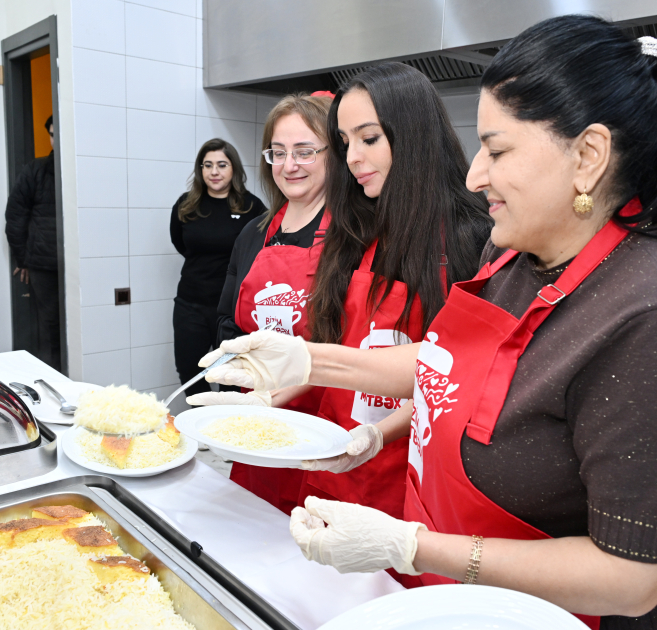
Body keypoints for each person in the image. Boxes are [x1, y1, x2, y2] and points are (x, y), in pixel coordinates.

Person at [200, 16, 657, 629]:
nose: (476, 174)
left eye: (498, 150)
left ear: (588, 157)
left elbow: (631, 579)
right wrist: (310, 362)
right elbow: (441, 365)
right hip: (462, 599)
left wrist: (409, 546)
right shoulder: (515, 257)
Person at [196, 63, 491, 523]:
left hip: (410, 474)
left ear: (412, 132)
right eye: (346, 142)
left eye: (368, 139)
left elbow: (455, 371)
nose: (353, 157)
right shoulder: (358, 232)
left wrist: (379, 435)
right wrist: (266, 402)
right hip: (337, 456)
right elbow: (339, 347)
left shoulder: (471, 237)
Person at [187, 92, 334, 515]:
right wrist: (237, 375)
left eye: (304, 151)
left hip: (322, 424)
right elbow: (228, 317)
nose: (290, 165)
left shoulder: (352, 236)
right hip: (260, 418)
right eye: (278, 152)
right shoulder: (255, 232)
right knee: (256, 521)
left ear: (333, 155)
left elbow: (353, 340)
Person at [170, 139, 265, 398]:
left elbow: (264, 252)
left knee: (231, 377)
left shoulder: (252, 208)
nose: (214, 172)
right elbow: (181, 243)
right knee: (189, 373)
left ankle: (226, 432)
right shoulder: (186, 205)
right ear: (200, 169)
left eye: (222, 165)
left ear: (233, 168)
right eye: (208, 165)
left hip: (233, 310)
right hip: (191, 304)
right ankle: (203, 428)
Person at [5, 115, 61, 371]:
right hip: (43, 265)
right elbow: (15, 217)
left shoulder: (86, 167)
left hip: (78, 265)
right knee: (50, 328)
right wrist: (23, 259)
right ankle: (52, 380)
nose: (56, 139)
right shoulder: (34, 170)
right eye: (52, 134)